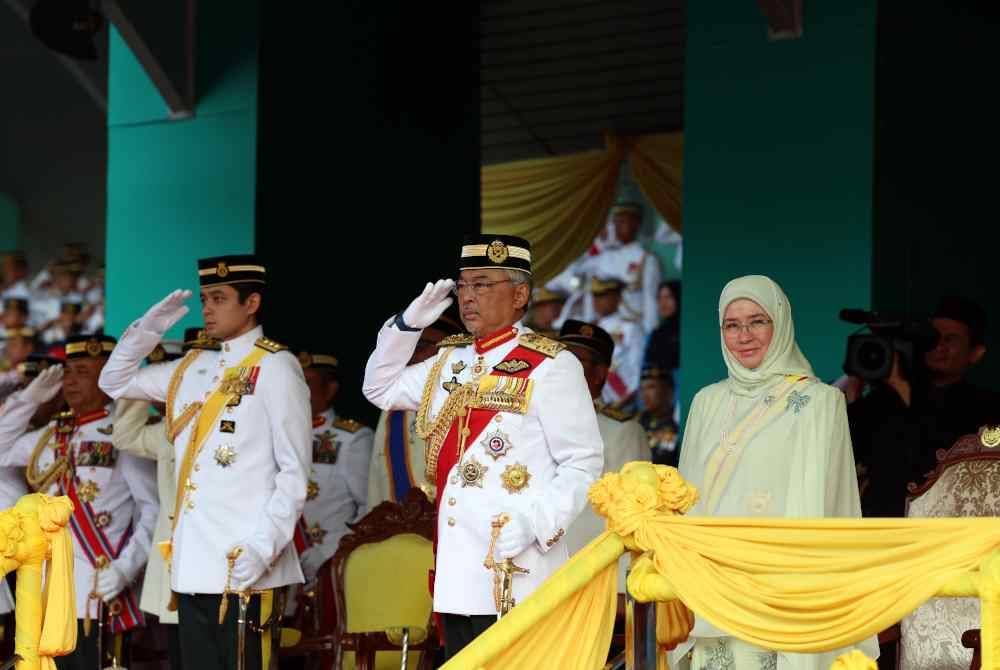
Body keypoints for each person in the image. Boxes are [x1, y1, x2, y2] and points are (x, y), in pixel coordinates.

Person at [362, 234, 603, 659]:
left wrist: (536, 525)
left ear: (520, 294)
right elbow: (378, 388)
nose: (468, 297)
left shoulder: (550, 365)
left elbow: (583, 464)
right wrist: (407, 325)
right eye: (464, 286)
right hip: (460, 569)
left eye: (483, 285)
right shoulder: (448, 360)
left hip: (520, 565)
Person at [97, 255, 311, 670]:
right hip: (194, 564)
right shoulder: (193, 367)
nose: (207, 308)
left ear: (251, 304)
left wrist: (262, 547)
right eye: (204, 299)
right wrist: (147, 331)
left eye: (219, 298)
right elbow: (114, 382)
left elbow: (294, 472)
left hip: (246, 562)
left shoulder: (276, 366)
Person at [671, 275, 876, 670]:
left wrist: (790, 592)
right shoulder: (706, 401)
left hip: (779, 591)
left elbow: (819, 505)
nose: (744, 335)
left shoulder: (819, 402)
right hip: (710, 588)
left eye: (757, 321)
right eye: (732, 325)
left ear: (780, 323)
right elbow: (687, 500)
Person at [0, 335, 159, 670]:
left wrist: (124, 569)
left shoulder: (123, 434)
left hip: (95, 593)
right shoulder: (52, 434)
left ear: (106, 377)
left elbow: (151, 510)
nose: (70, 380)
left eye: (83, 372)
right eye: (68, 372)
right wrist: (28, 400)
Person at [557, 319, 645, 590]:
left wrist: (621, 587)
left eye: (576, 362)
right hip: (535, 574)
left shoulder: (622, 430)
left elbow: (632, 518)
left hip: (591, 577)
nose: (562, 368)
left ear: (599, 373)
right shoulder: (527, 422)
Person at [368, 304, 465, 507]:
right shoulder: (393, 408)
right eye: (407, 348)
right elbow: (377, 482)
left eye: (421, 346)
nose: (411, 356)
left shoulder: (468, 399)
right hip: (401, 533)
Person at [295, 350, 373, 581]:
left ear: (330, 390)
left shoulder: (352, 439)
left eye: (307, 383)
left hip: (326, 563)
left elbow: (369, 506)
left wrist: (330, 553)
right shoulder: (275, 435)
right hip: (279, 562)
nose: (298, 390)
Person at [591, 277, 643, 408]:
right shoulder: (590, 329)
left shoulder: (630, 328)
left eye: (603, 295)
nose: (596, 300)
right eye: (595, 296)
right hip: (597, 403)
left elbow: (637, 368)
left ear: (617, 297)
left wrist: (623, 400)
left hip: (625, 401)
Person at [638, 367, 680, 466]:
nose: (645, 394)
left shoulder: (679, 421)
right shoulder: (636, 422)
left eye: (651, 387)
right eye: (642, 389)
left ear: (668, 391)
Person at [643, 280, 681, 374]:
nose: (663, 303)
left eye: (668, 297)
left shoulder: (686, 331)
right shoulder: (656, 334)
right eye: (659, 298)